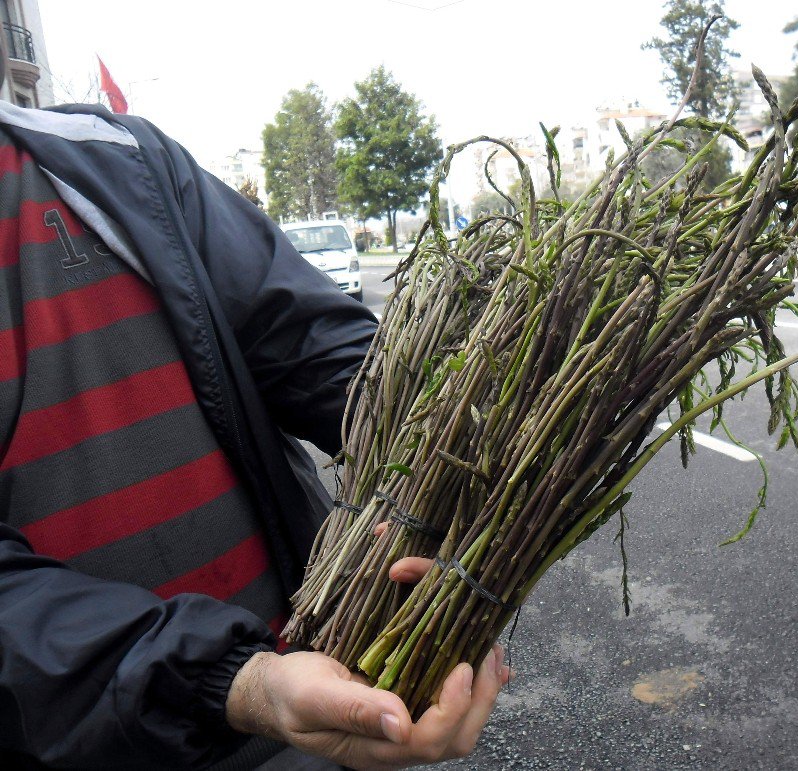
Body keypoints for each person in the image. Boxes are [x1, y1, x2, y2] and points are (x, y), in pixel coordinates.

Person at [0, 88, 507, 768]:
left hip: (310, 700)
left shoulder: (117, 161)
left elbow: (307, 341)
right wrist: (228, 679)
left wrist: (459, 456)